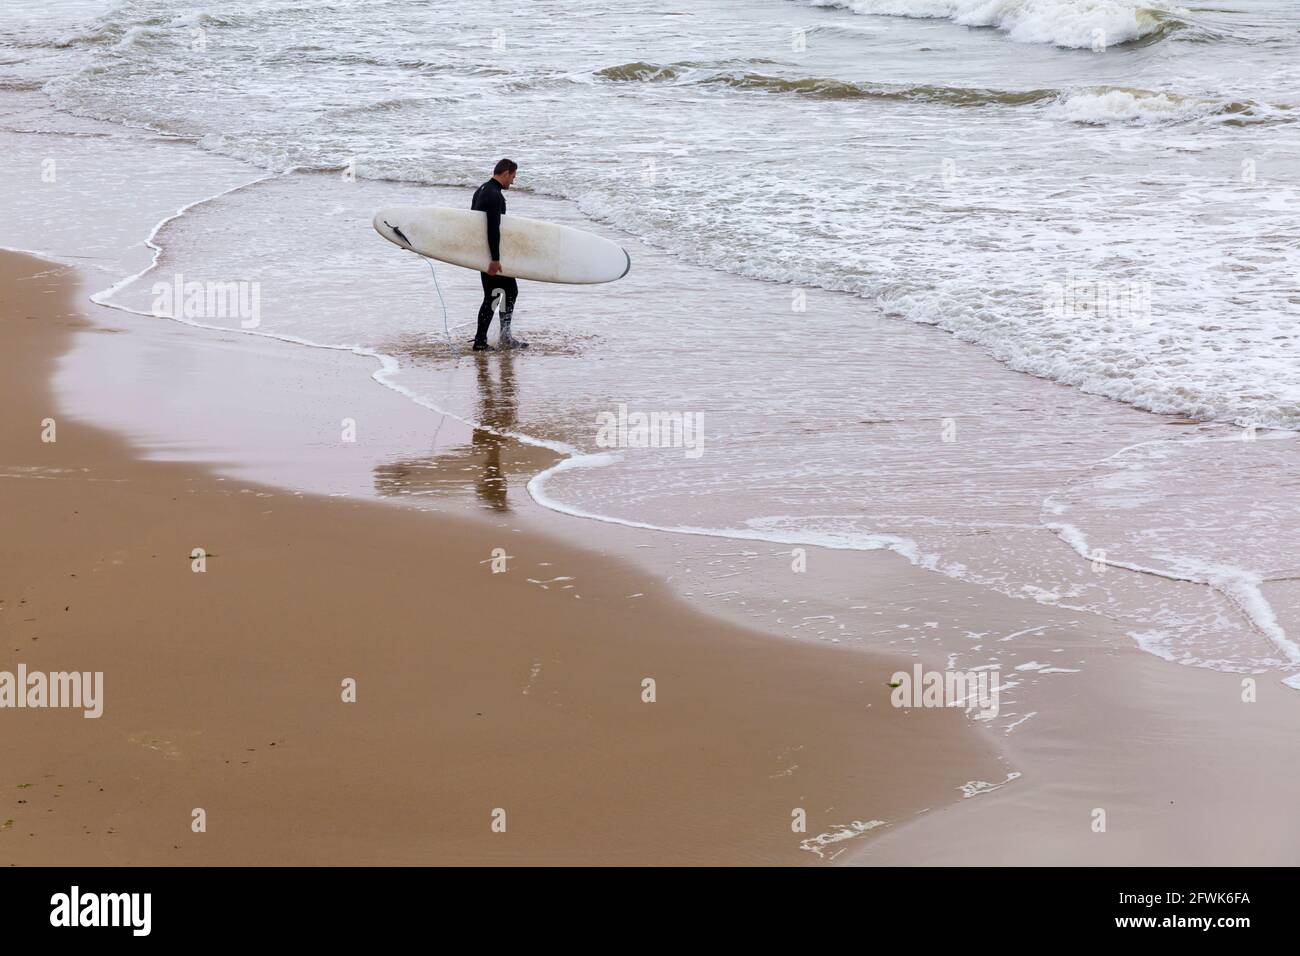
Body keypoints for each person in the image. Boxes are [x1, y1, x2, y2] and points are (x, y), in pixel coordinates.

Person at [471, 158, 527, 350]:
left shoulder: (482, 190)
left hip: (484, 253)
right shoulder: (495, 196)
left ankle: (499, 337)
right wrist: (495, 259)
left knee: (502, 293)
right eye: (513, 176)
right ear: (505, 173)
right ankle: (483, 341)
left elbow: (474, 225)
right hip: (491, 256)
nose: (513, 181)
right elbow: (492, 229)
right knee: (498, 295)